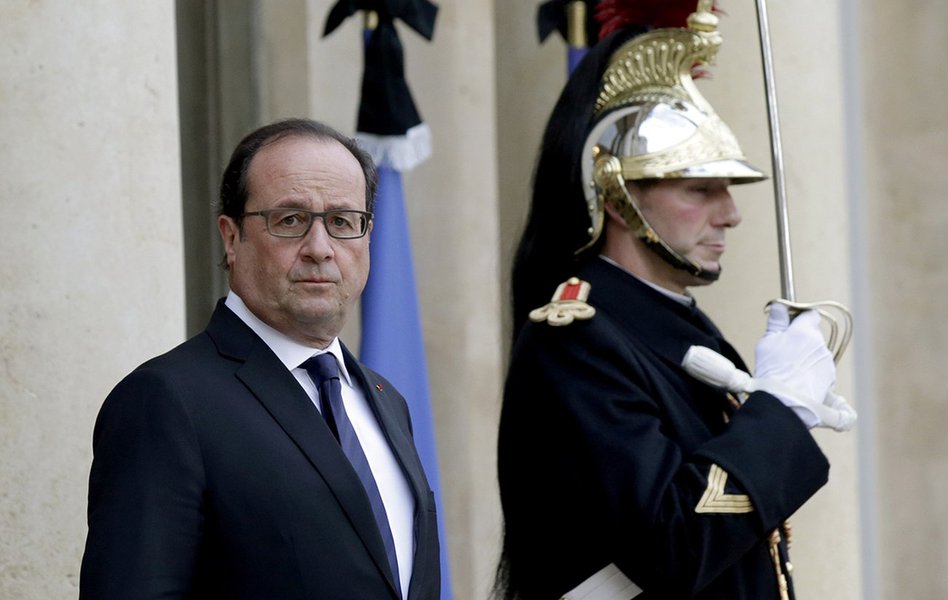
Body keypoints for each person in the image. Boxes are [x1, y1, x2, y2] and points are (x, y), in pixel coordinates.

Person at [496, 8, 854, 600]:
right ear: (617, 198)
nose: (730, 214)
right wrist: (780, 413)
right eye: (699, 189)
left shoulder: (672, 326)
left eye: (728, 190)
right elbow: (674, 544)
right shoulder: (577, 340)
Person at [80, 118, 440, 600]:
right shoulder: (167, 401)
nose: (320, 249)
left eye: (342, 221)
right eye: (289, 220)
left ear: (367, 236)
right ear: (231, 238)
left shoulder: (386, 400)